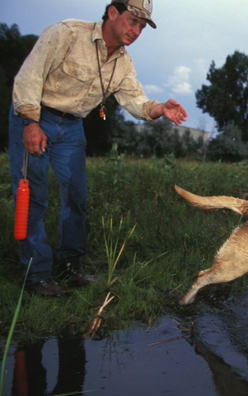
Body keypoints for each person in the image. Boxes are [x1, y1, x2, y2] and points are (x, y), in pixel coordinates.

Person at [9, 0, 188, 296]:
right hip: (34, 116)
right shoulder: (67, 32)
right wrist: (30, 122)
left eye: (142, 26)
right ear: (113, 13)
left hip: (71, 127)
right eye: (133, 21)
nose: (136, 30)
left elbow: (136, 101)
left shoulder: (124, 63)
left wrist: (159, 108)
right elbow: (29, 76)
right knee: (34, 196)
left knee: (76, 196)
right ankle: (37, 274)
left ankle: (70, 264)